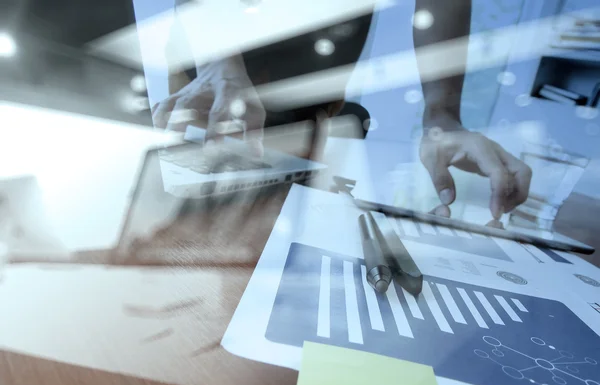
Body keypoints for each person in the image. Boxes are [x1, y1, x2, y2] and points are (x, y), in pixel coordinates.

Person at [152, 0, 532, 221]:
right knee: (188, 214)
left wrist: (442, 115)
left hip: (315, 88)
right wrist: (220, 59)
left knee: (283, 221)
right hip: (212, 70)